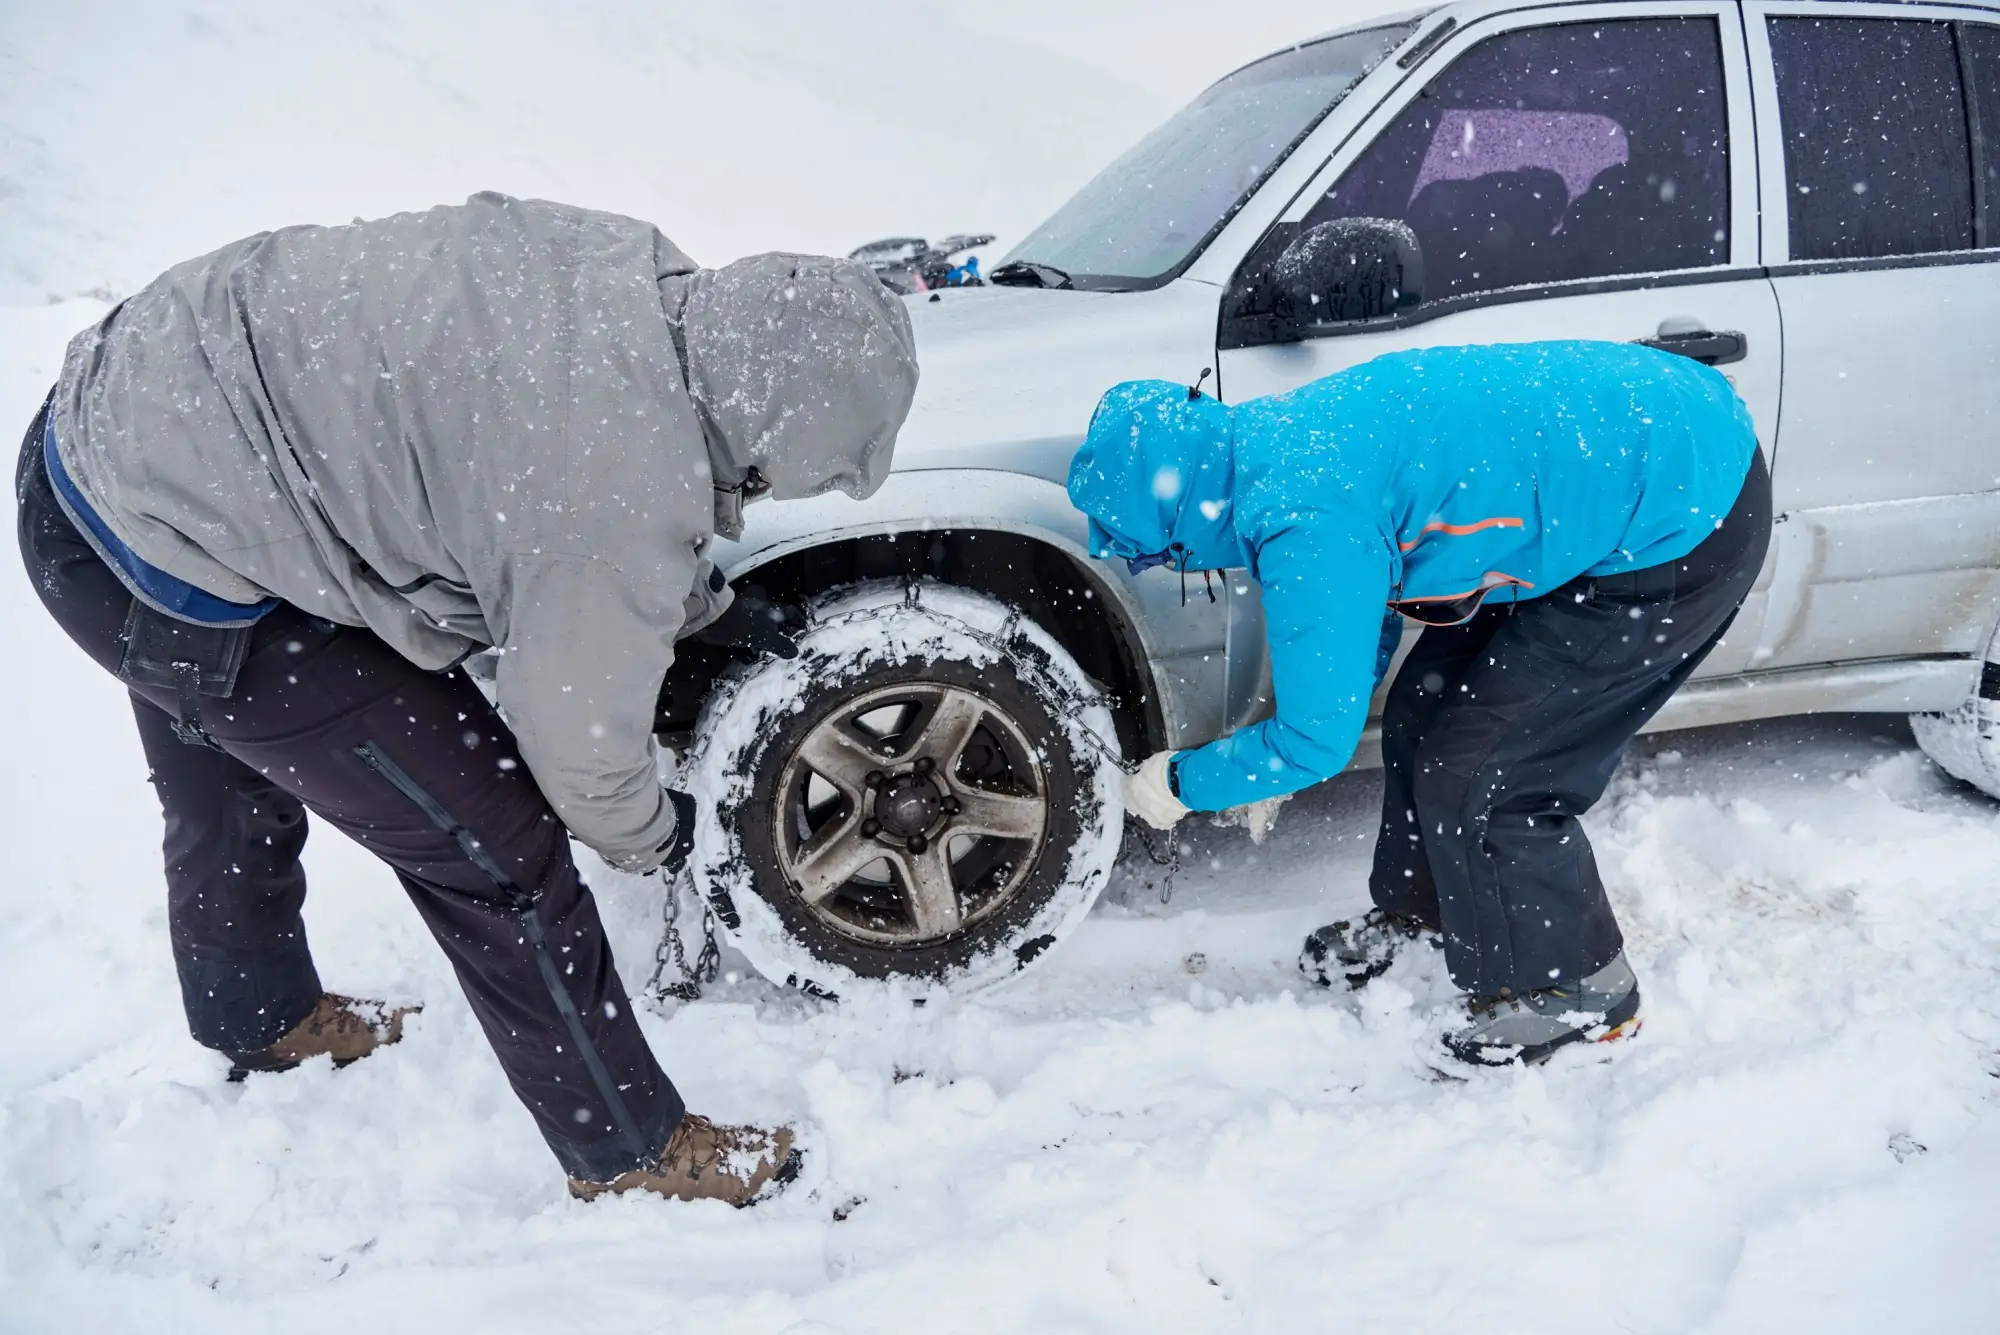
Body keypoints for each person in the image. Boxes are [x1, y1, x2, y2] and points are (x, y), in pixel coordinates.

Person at [16, 192, 919, 1201]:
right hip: (169, 551)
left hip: (112, 435)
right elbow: (578, 743)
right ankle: (630, 1154)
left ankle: (256, 1016)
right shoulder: (611, 484)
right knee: (499, 849)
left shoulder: (624, 271)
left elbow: (510, 477)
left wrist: (691, 598)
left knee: (231, 759)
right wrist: (656, 835)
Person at [1067, 341, 1769, 1065]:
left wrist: (1182, 783)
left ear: (1184, 520)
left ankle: (1582, 991)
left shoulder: (1303, 518)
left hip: (1683, 514)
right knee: (1424, 711)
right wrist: (1294, 724)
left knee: (1489, 768)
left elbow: (1315, 743)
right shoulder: (1272, 445)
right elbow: (1362, 610)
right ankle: (1429, 914)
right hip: (1625, 464)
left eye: (1165, 555)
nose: (1172, 567)